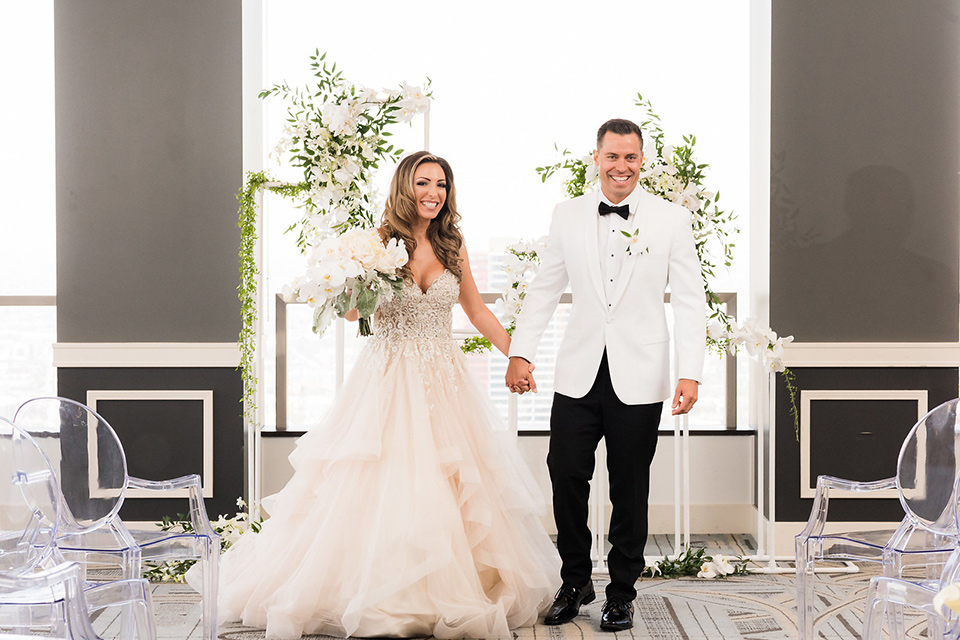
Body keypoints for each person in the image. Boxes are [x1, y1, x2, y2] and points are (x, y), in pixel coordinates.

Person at [212, 151, 560, 639]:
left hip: (444, 380)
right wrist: (354, 274)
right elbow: (354, 316)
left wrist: (517, 355)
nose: (433, 193)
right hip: (387, 376)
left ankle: (445, 586)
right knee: (385, 480)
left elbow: (477, 311)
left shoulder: (453, 244)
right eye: (424, 182)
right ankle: (382, 590)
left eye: (441, 184)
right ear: (405, 187)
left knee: (451, 484)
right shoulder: (377, 243)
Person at [505, 118, 706, 632]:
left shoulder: (670, 219)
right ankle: (575, 581)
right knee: (565, 474)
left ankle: (621, 592)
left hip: (641, 374)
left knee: (629, 486)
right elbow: (545, 288)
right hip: (578, 371)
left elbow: (689, 301)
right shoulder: (567, 215)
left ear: (643, 161)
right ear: (595, 157)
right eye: (613, 156)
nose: (622, 167)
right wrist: (520, 352)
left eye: (631, 158)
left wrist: (691, 373)